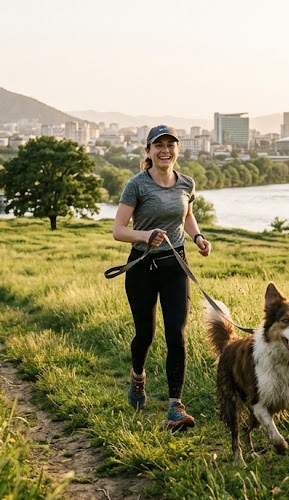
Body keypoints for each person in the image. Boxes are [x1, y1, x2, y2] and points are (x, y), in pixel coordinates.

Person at [112, 124, 211, 431]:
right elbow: (118, 230)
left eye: (171, 144)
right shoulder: (137, 185)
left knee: (176, 335)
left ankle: (175, 407)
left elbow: (187, 215)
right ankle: (138, 377)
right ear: (149, 151)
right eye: (159, 145)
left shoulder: (187, 183)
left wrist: (197, 238)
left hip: (175, 266)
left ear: (177, 149)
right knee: (145, 335)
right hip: (142, 267)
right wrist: (146, 234)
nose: (165, 150)